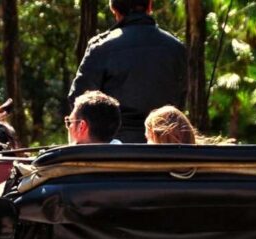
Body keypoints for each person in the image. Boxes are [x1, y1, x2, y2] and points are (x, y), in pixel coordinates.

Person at [69, 0, 187, 143]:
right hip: (165, 146)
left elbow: (80, 101)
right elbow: (180, 100)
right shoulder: (176, 48)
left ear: (114, 9)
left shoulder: (101, 47)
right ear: (150, 6)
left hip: (116, 151)